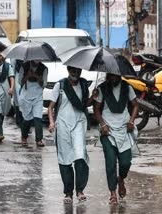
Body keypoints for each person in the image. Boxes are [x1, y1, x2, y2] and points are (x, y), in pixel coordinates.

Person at [48, 66, 98, 203]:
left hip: (79, 123)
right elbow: (51, 107)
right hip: (62, 123)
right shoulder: (60, 85)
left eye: (78, 71)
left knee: (80, 155)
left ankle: (80, 190)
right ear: (68, 70)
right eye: (73, 71)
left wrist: (93, 97)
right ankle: (68, 193)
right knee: (65, 158)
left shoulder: (83, 84)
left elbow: (84, 104)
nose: (76, 73)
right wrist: (52, 122)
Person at [93, 73, 139, 205]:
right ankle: (113, 193)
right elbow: (96, 109)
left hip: (124, 128)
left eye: (115, 76)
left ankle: (121, 179)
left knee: (125, 162)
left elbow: (135, 105)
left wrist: (131, 121)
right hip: (108, 130)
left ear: (120, 75)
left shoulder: (127, 87)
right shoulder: (102, 88)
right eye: (110, 76)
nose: (113, 78)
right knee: (110, 162)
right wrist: (103, 124)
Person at [18, 60, 48, 147]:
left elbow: (44, 84)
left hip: (38, 96)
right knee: (27, 118)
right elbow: (20, 82)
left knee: (38, 117)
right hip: (26, 95)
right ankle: (24, 137)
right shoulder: (24, 67)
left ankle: (39, 139)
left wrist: (36, 76)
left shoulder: (44, 68)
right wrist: (27, 76)